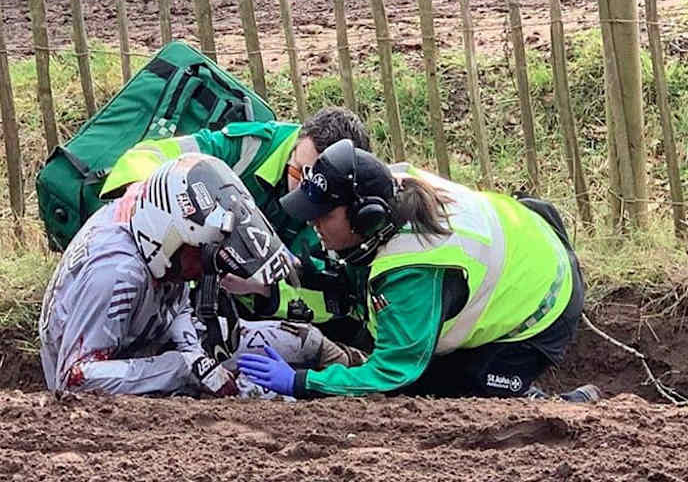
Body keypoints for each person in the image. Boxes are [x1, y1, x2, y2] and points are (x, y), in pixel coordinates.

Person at [238, 139, 600, 402]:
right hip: (528, 238)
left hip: (543, 302)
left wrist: (303, 383)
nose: (313, 223)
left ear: (366, 215)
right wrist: (268, 289)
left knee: (447, 394)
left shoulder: (414, 266)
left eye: (324, 215)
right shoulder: (394, 190)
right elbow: (343, 291)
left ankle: (554, 405)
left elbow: (392, 372)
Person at [39, 154, 364, 396]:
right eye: (202, 253)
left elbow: (176, 308)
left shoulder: (153, 227)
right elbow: (74, 379)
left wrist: (194, 355)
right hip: (121, 371)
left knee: (303, 339)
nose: (209, 265)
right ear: (172, 238)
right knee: (256, 392)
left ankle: (362, 369)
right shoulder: (115, 274)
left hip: (152, 337)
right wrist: (182, 369)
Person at [100, 106, 373, 342]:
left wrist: (261, 287)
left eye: (318, 194)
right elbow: (148, 153)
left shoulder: (358, 205)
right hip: (176, 278)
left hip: (266, 313)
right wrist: (144, 192)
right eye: (298, 171)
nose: (300, 190)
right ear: (298, 139)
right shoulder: (250, 146)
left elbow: (343, 297)